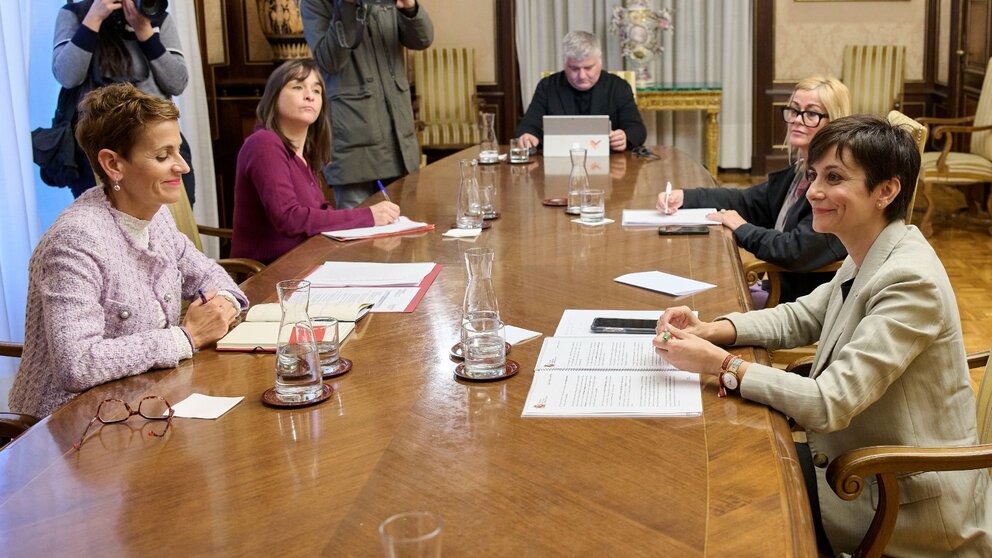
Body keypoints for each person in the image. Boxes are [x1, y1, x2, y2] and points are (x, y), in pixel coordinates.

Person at [653, 115, 992, 556]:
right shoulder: (872, 245)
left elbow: (829, 402)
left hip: (901, 502)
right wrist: (712, 329)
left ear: (886, 191)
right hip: (859, 472)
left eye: (834, 178)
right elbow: (799, 317)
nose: (812, 191)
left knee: (728, 508)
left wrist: (722, 366)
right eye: (813, 175)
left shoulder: (910, 279)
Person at [8, 83, 245, 418]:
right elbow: (77, 364)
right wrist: (187, 337)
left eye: (178, 152)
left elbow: (207, 273)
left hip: (145, 400)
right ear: (113, 165)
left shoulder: (156, 215)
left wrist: (222, 304)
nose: (182, 167)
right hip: (67, 430)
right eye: (163, 156)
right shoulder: (74, 242)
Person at [657, 76, 850, 305]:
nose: (798, 120)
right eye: (795, 111)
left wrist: (742, 228)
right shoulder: (800, 171)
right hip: (777, 292)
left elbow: (795, 250)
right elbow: (746, 200)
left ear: (834, 122)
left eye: (811, 114)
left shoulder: (835, 188)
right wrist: (686, 196)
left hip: (799, 308)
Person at [231, 60, 400, 264]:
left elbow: (321, 213)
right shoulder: (264, 143)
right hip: (268, 274)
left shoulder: (302, 154)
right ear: (274, 97)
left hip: (306, 263)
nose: (310, 95)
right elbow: (288, 218)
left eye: (317, 90)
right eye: (297, 87)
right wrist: (368, 216)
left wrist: (369, 221)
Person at [54, 0, 195, 203]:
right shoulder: (75, 14)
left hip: (157, 138)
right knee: (108, 223)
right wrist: (94, 18)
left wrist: (144, 31)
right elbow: (67, 76)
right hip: (100, 145)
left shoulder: (154, 14)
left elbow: (177, 82)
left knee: (175, 218)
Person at [300, 0, 433, 209]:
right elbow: (329, 60)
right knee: (361, 236)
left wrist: (410, 7)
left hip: (398, 140)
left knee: (406, 232)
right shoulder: (314, 2)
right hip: (353, 143)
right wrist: (348, 6)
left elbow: (423, 39)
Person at [514, 31, 647, 152]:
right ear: (564, 64)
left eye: (588, 68)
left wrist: (625, 137)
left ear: (600, 61)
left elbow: (637, 129)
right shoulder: (547, 86)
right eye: (574, 69)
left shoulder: (618, 87)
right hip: (559, 163)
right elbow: (527, 126)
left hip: (610, 165)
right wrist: (528, 136)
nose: (582, 76)